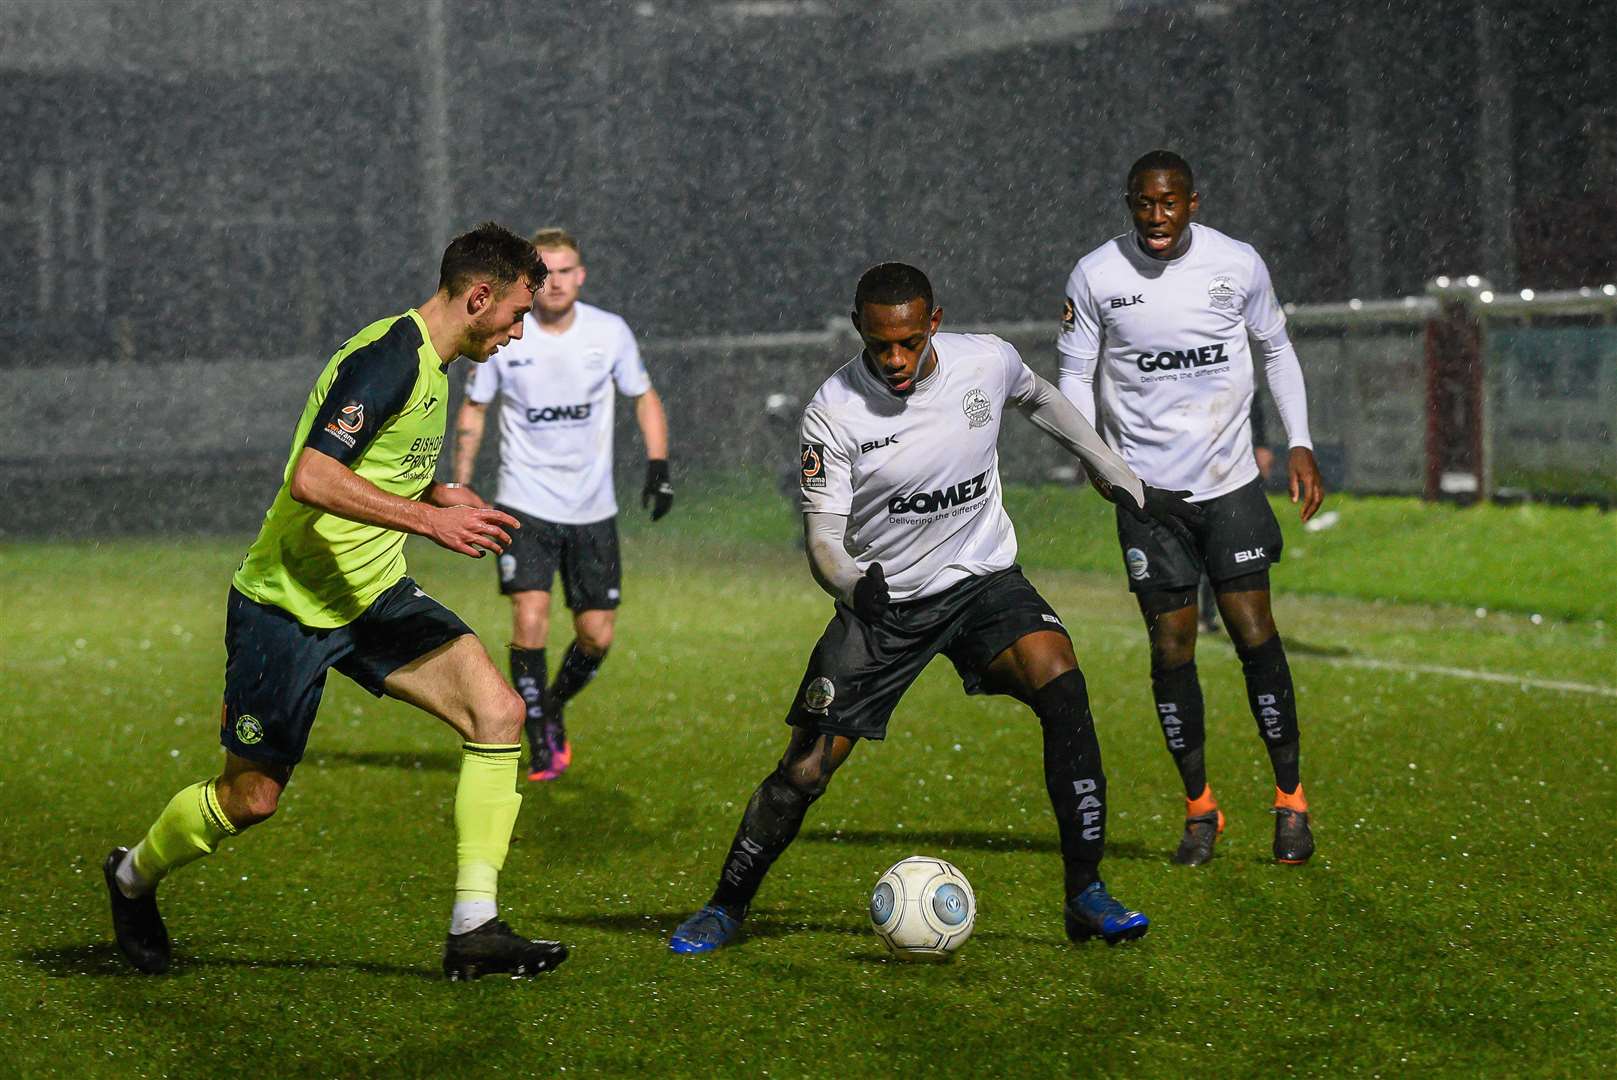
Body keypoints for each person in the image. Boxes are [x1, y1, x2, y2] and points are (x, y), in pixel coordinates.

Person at [667, 262, 1200, 955]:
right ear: (859, 328)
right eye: (880, 343)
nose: (895, 358)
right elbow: (824, 541)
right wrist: (852, 586)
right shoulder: (833, 412)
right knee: (805, 768)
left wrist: (1113, 473)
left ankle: (1085, 893)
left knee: (1063, 687)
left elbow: (1040, 399)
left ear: (934, 325)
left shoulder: (986, 362)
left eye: (909, 342)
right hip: (885, 604)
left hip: (982, 582)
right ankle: (725, 906)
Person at [102, 222, 569, 980]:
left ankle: (474, 929)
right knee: (250, 799)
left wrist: (434, 488)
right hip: (285, 605)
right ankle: (130, 878)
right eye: (516, 313)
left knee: (499, 713)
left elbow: (373, 466)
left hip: (371, 596)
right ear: (479, 296)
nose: (519, 331)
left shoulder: (436, 366)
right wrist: (431, 519)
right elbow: (313, 479)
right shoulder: (388, 360)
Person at [1056, 150, 1325, 868]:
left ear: (1192, 203)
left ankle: (1289, 800)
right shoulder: (1095, 275)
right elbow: (1074, 373)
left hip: (1230, 484)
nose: (1155, 217)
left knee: (1252, 632)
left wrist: (1298, 441)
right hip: (1146, 498)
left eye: (1168, 203)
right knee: (1171, 649)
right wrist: (1093, 455)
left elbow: (1275, 350)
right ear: (1128, 204)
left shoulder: (1236, 264)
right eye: (1143, 204)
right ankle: (1200, 809)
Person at [452, 228, 671, 782]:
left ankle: (550, 705)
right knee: (530, 616)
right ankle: (539, 737)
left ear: (582, 274)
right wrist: (458, 482)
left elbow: (643, 396)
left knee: (596, 634)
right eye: (545, 272)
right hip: (523, 502)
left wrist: (658, 466)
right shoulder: (509, 331)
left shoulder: (609, 332)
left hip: (592, 508)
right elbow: (475, 409)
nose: (557, 282)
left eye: (567, 269)